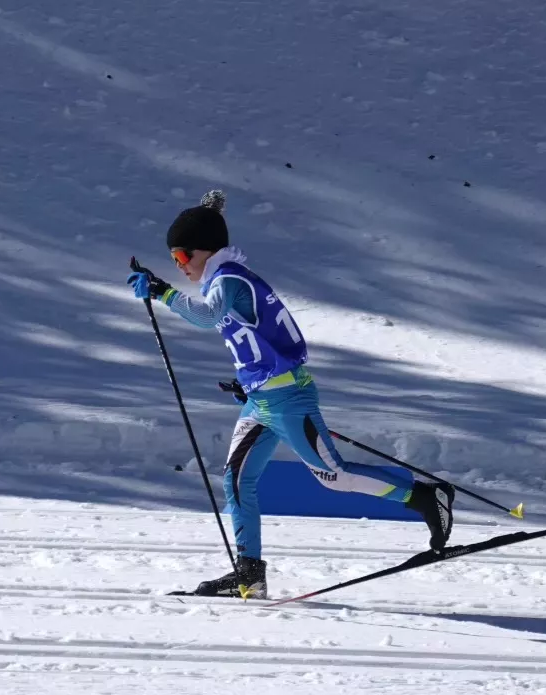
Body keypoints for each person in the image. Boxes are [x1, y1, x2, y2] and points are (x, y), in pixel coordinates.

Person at [128, 190, 454, 598]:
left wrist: (162, 293)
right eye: (175, 261)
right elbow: (259, 334)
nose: (180, 267)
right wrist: (249, 380)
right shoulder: (225, 276)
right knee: (237, 479)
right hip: (262, 399)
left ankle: (426, 498)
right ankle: (249, 574)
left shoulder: (228, 279)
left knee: (335, 477)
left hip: (286, 399)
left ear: (203, 251)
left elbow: (207, 317)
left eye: (181, 258)